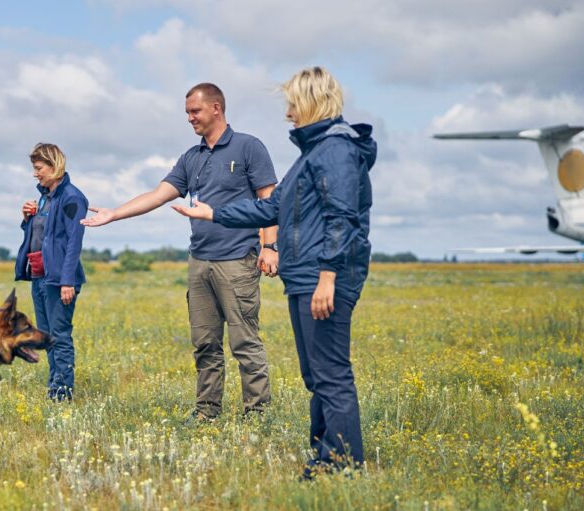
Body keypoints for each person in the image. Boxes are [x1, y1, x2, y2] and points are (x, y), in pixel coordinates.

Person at [172, 67, 375, 477]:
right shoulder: (312, 154)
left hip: (321, 277)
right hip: (304, 278)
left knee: (331, 375)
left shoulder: (336, 150)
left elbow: (342, 218)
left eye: (293, 103)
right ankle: (325, 458)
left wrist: (329, 277)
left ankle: (342, 465)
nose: (288, 112)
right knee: (316, 376)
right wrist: (215, 213)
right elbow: (271, 207)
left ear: (313, 102)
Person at [81, 83, 279, 422]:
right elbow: (158, 194)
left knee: (244, 342)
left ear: (216, 108)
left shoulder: (249, 147)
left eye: (195, 111)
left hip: (237, 260)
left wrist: (270, 246)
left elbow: (269, 199)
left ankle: (257, 415)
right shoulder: (192, 158)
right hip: (199, 262)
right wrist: (114, 213)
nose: (190, 118)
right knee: (205, 343)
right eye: (187, 112)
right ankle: (206, 412)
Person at [15, 143, 88, 401]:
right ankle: (54, 388)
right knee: (46, 337)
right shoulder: (45, 198)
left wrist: (67, 281)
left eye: (39, 168)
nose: (35, 174)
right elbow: (41, 236)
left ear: (54, 165)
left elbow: (74, 242)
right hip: (39, 276)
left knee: (60, 337)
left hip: (60, 280)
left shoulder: (72, 198)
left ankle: (62, 394)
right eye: (34, 169)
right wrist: (27, 219)